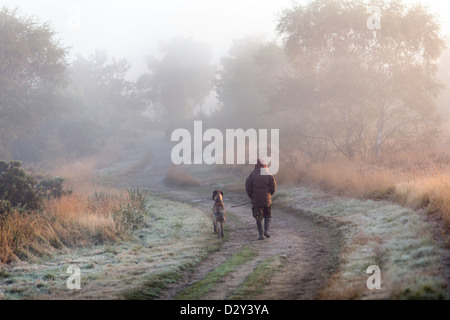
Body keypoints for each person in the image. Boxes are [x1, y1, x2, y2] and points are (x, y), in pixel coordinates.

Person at [245, 159, 277, 240]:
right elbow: (273, 186)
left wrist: (251, 196)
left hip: (256, 200)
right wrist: (269, 194)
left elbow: (248, 186)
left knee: (258, 217)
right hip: (267, 199)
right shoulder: (269, 174)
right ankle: (266, 230)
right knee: (267, 215)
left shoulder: (252, 175)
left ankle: (260, 234)